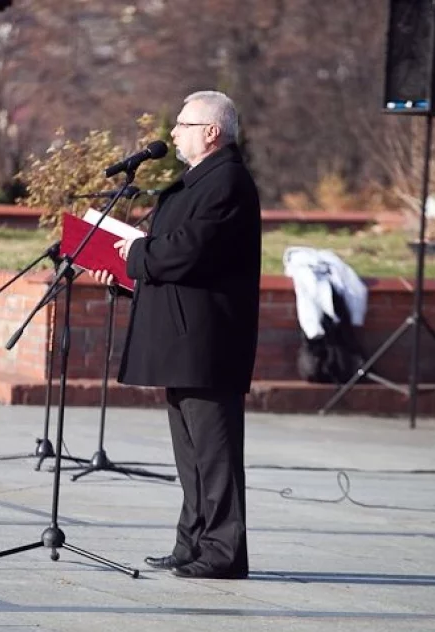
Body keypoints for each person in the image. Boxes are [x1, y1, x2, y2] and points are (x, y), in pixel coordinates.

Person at [90, 91, 261, 579]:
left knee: (216, 454)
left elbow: (189, 250)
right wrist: (126, 277)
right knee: (191, 456)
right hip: (185, 336)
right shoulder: (197, 181)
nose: (173, 133)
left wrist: (133, 256)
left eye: (183, 124)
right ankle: (192, 544)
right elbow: (170, 258)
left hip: (209, 342)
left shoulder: (227, 181)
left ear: (212, 131)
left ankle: (224, 553)